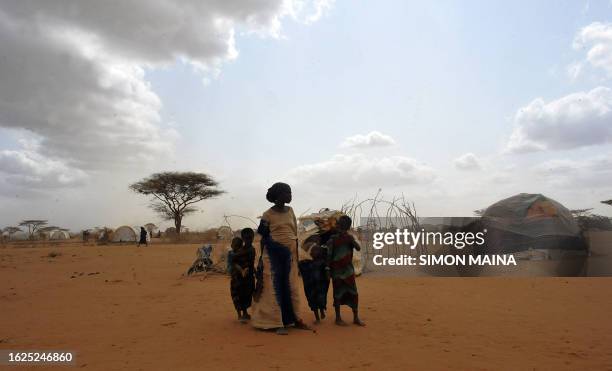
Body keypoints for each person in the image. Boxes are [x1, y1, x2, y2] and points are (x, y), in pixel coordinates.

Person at [251, 182, 310, 335]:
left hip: (290, 256)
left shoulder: (291, 211)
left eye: (290, 192)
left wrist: (296, 255)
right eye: (287, 193)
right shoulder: (267, 215)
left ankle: (295, 319)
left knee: (291, 287)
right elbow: (263, 237)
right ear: (278, 195)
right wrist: (260, 261)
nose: (290, 196)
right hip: (272, 257)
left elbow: (294, 234)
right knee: (274, 288)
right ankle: (276, 322)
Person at [326, 215, 365, 326]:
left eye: (341, 224)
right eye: (339, 224)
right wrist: (327, 269)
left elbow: (358, 248)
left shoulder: (349, 238)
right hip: (336, 270)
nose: (339, 226)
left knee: (354, 293)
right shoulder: (333, 239)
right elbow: (329, 255)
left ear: (346, 226)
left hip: (348, 270)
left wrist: (351, 240)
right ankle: (338, 318)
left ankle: (356, 317)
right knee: (337, 294)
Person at [298, 233, 330, 323]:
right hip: (312, 281)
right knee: (313, 297)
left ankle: (321, 312)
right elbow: (301, 264)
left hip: (319, 281)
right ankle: (318, 316)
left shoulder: (323, 250)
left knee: (319, 296)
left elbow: (327, 261)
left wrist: (327, 270)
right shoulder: (306, 253)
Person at [229, 230, 256, 322]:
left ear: (253, 238)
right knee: (238, 295)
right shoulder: (240, 251)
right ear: (243, 239)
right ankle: (240, 315)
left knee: (247, 295)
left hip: (248, 277)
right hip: (238, 278)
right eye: (247, 238)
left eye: (250, 238)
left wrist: (254, 271)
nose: (249, 240)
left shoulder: (251, 249)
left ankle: (245, 313)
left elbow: (251, 263)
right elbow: (233, 261)